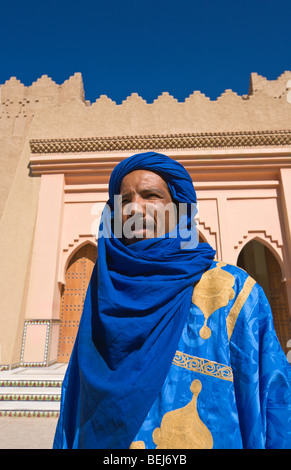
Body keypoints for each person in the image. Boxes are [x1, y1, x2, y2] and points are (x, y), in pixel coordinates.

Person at [53, 151, 291, 449]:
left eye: (151, 196)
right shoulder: (104, 291)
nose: (134, 209)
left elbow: (273, 398)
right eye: (124, 200)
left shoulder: (231, 291)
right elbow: (76, 395)